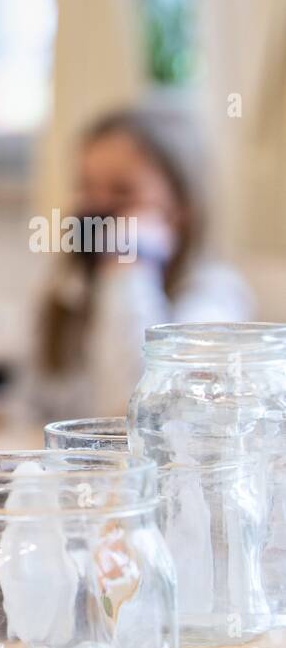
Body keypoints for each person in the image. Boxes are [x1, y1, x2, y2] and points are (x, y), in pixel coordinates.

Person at [22, 104, 253, 424]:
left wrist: (128, 265)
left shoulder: (214, 296)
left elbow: (135, 410)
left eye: (122, 191)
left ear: (180, 208)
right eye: (86, 187)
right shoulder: (67, 291)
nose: (98, 207)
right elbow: (26, 412)